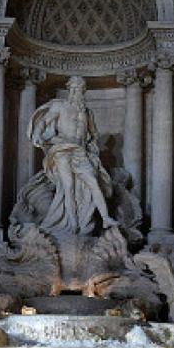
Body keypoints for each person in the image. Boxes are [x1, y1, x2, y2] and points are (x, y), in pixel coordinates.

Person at [29, 76, 119, 235]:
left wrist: (93, 146)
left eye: (81, 89)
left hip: (81, 152)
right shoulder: (59, 106)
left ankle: (105, 218)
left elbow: (93, 134)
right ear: (69, 89)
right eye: (75, 88)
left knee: (93, 183)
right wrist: (37, 133)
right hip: (62, 150)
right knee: (68, 187)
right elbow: (44, 122)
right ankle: (73, 224)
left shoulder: (87, 112)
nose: (78, 92)